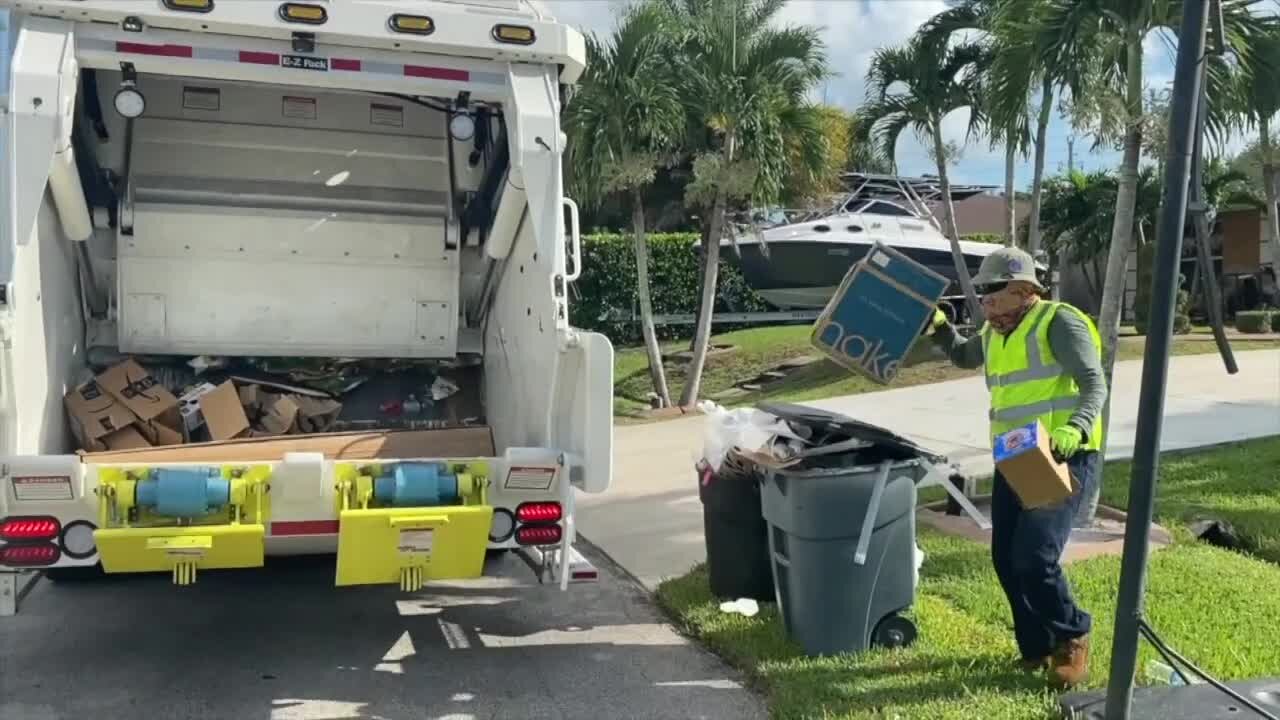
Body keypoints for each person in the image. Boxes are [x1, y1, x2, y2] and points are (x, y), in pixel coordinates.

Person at [926, 246, 1107, 689]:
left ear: (1024, 289)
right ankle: (1036, 647)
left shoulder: (1059, 321)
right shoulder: (995, 331)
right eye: (982, 292)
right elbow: (966, 356)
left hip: (1062, 456)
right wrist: (941, 330)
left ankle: (1072, 632)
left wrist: (1075, 430)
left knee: (1034, 558)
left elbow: (1093, 383)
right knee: (1006, 559)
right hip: (1014, 457)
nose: (985, 301)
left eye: (994, 292)